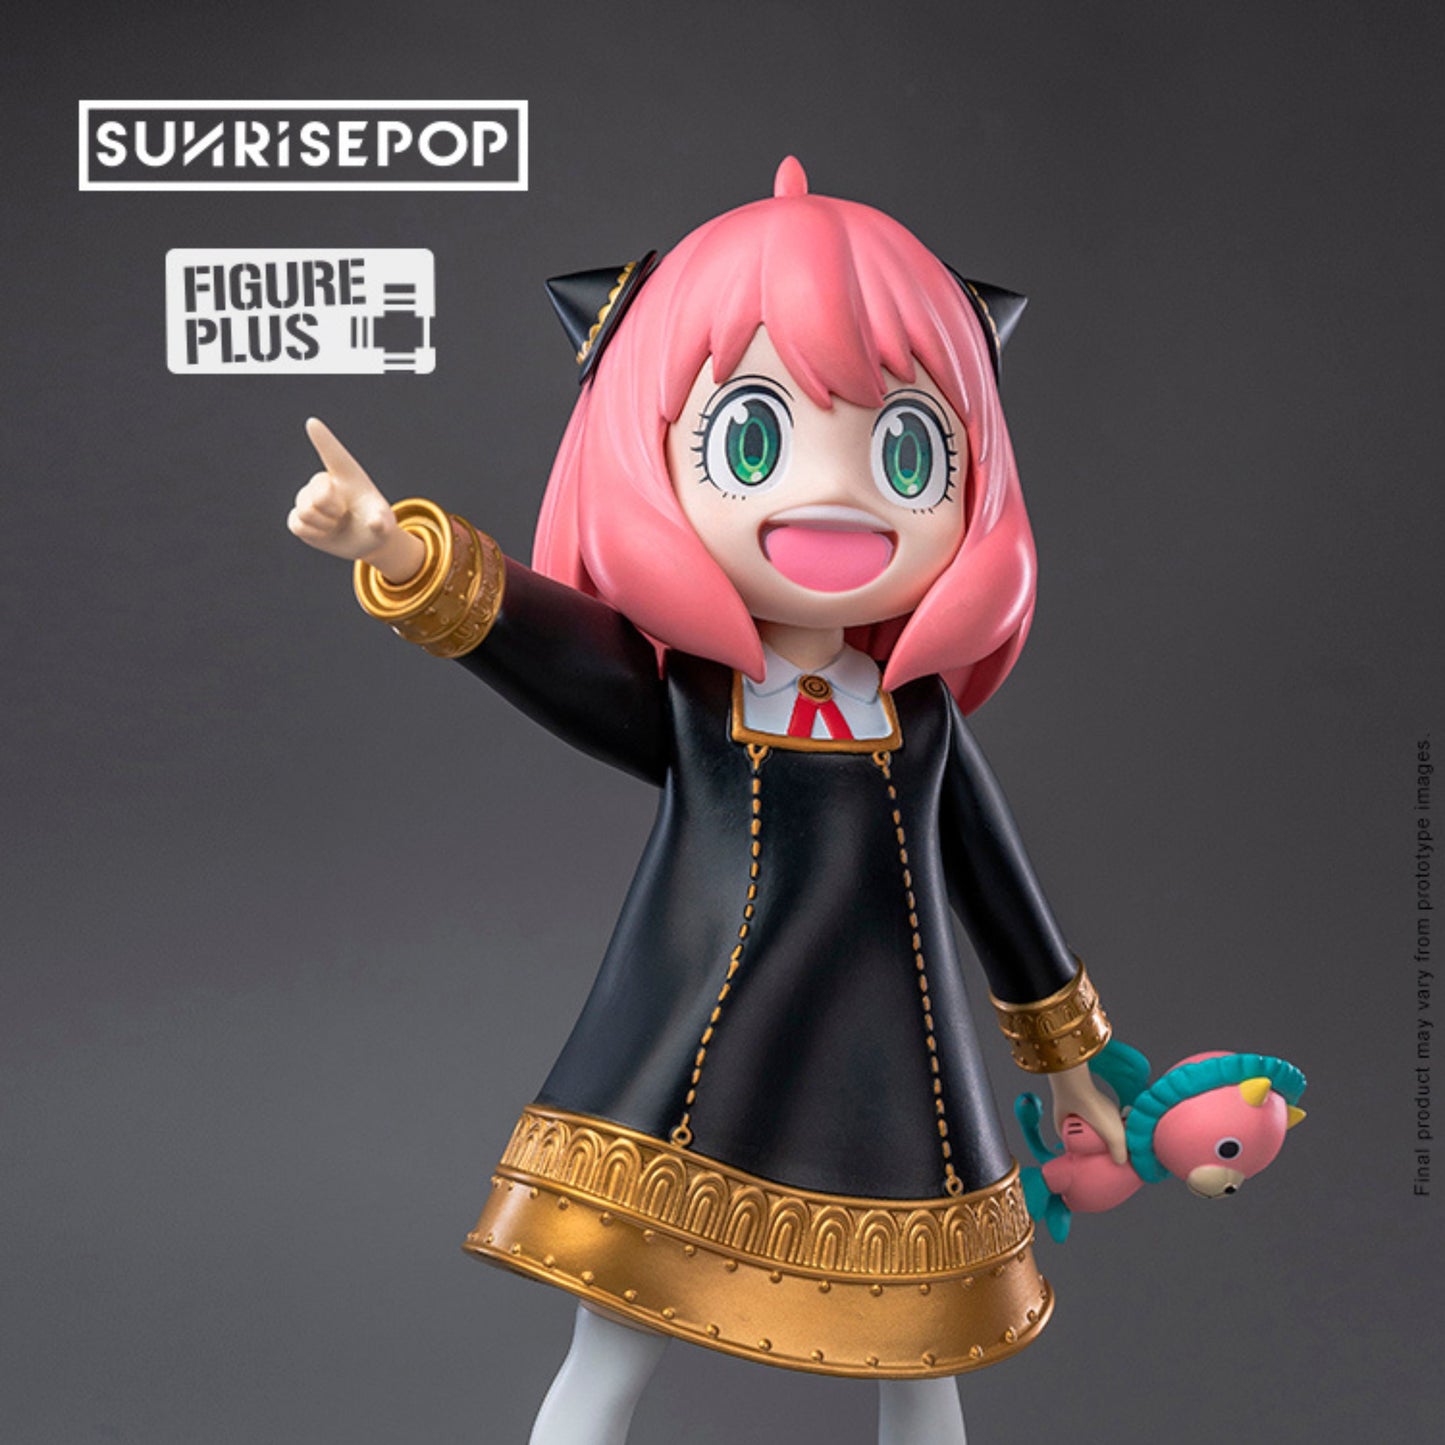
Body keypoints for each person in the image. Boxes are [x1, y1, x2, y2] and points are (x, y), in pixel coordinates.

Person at [288, 157, 1126, 1445]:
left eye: (905, 449)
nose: (835, 497)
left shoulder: (916, 719)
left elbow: (1000, 894)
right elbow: (545, 643)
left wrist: (1070, 1062)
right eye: (755, 438)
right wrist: (399, 548)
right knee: (612, 1344)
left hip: (894, 1080)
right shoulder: (688, 698)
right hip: (700, 1057)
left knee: (924, 1360)